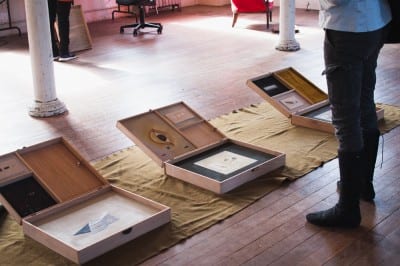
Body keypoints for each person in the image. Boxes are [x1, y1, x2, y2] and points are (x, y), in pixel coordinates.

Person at [306, 0, 392, 228]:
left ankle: (348, 209)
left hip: (348, 28)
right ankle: (363, 184)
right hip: (376, 21)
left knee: (346, 117)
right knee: (365, 103)